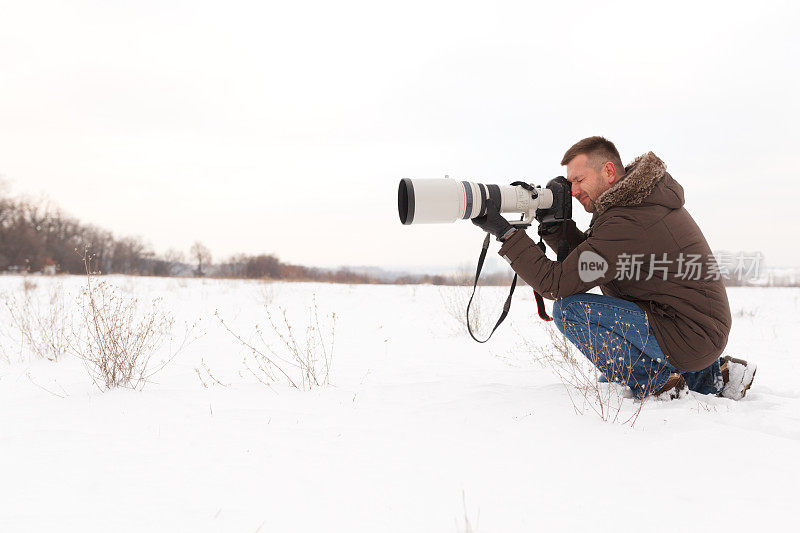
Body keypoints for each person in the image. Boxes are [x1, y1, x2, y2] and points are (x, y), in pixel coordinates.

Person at [472, 136, 756, 400]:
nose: (573, 191)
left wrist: (507, 234)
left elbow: (555, 284)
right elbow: (594, 263)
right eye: (569, 183)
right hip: (692, 328)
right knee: (613, 361)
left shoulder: (628, 221)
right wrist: (556, 228)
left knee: (570, 311)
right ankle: (714, 376)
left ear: (608, 172)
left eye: (579, 180)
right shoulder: (635, 204)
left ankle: (658, 384)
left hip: (690, 335)